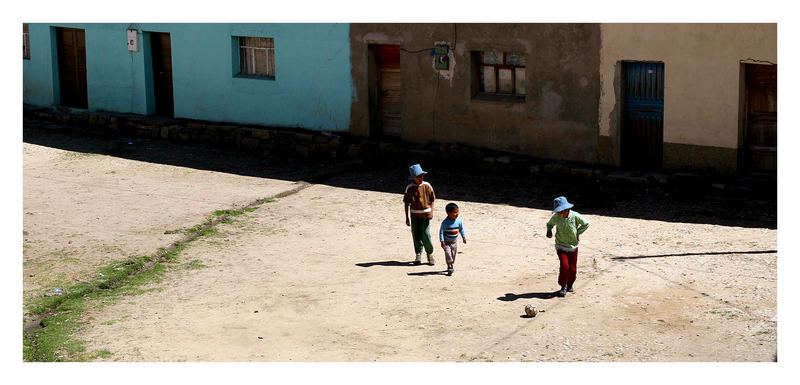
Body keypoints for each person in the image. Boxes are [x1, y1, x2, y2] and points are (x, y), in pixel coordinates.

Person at [546, 196, 589, 297]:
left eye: (562, 211)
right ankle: (563, 286)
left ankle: (570, 285)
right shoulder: (556, 217)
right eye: (558, 212)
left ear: (567, 209)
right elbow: (550, 224)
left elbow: (586, 224)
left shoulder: (575, 216)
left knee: (573, 269)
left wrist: (577, 233)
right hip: (560, 246)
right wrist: (549, 231)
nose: (560, 214)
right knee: (565, 266)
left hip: (573, 246)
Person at [404, 164, 436, 265]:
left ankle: (430, 254)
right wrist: (407, 218)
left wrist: (431, 211)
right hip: (414, 216)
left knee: (426, 234)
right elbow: (406, 203)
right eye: (418, 176)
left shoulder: (427, 185)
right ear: (413, 178)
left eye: (421, 175)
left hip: (425, 215)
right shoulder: (409, 188)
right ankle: (418, 254)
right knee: (416, 235)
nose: (420, 178)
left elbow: (432, 199)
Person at [439, 202, 466, 276]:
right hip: (446, 241)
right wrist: (442, 241)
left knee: (453, 254)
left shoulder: (458, 221)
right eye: (454, 212)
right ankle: (449, 266)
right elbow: (441, 232)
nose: (457, 214)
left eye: (457, 212)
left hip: (454, 241)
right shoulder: (445, 222)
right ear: (448, 213)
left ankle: (451, 264)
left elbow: (461, 229)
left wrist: (463, 237)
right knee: (448, 252)